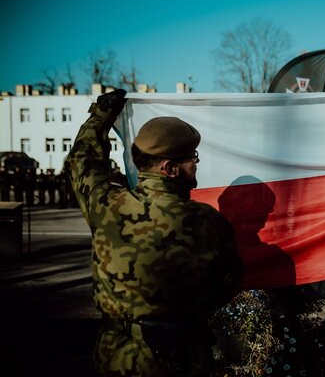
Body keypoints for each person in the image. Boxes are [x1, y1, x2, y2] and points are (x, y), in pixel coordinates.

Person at [66, 89, 244, 377]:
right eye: (192, 157)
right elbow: (229, 279)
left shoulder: (107, 205)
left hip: (118, 356)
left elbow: (81, 162)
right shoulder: (207, 221)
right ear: (170, 168)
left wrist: (100, 117)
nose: (196, 162)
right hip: (185, 356)